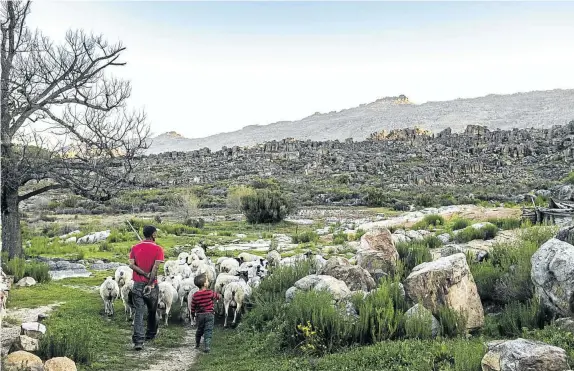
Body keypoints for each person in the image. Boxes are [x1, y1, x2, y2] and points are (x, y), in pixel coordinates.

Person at [128, 225, 165, 351]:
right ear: (153, 234)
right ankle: (150, 334)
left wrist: (143, 274)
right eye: (156, 233)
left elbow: (131, 265)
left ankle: (138, 341)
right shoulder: (158, 249)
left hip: (137, 284)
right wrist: (149, 283)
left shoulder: (134, 247)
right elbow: (155, 267)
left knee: (139, 312)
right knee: (152, 310)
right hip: (152, 285)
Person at [189, 273, 220, 353]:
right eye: (207, 280)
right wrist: (219, 296)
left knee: (199, 330)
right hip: (210, 315)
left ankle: (197, 344)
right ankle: (207, 346)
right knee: (208, 330)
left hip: (200, 316)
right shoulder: (210, 292)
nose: (208, 281)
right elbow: (217, 296)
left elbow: (193, 307)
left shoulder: (195, 295)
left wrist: (192, 315)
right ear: (205, 284)